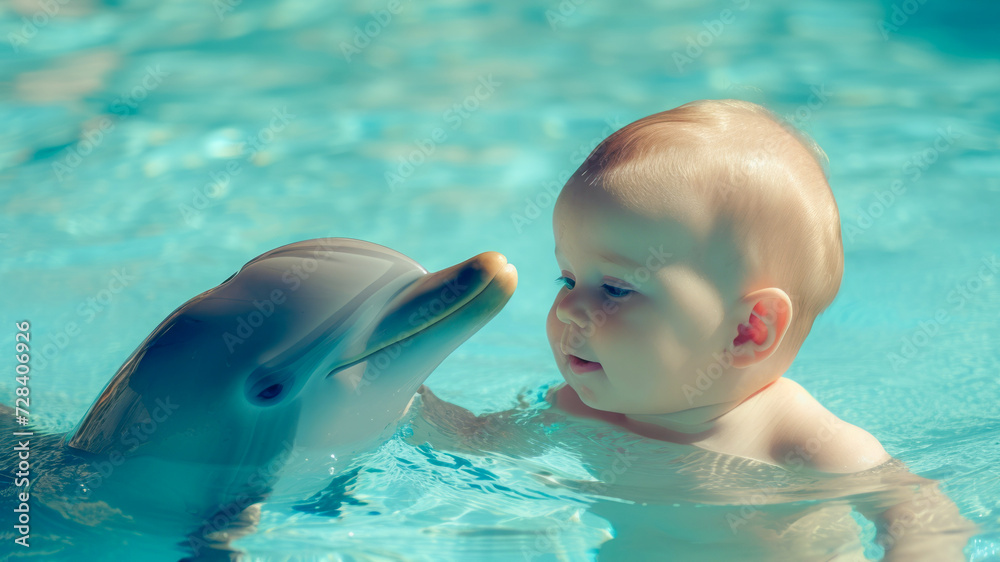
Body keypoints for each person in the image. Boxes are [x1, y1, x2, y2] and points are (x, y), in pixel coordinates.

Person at [414, 100, 975, 560]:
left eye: (615, 289)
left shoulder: (805, 446)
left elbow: (923, 515)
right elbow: (472, 444)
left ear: (748, 330)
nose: (567, 309)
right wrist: (406, 395)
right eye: (566, 277)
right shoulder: (576, 409)